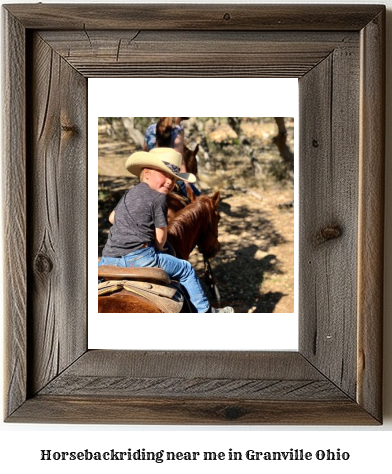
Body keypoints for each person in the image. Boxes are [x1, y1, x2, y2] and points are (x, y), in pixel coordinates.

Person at [99, 147, 234, 314]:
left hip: (109, 258)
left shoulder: (129, 193)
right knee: (185, 269)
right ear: (147, 173)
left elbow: (112, 218)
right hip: (140, 258)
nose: (170, 182)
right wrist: (159, 247)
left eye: (173, 178)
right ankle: (206, 312)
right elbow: (161, 235)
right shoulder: (159, 198)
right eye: (165, 174)